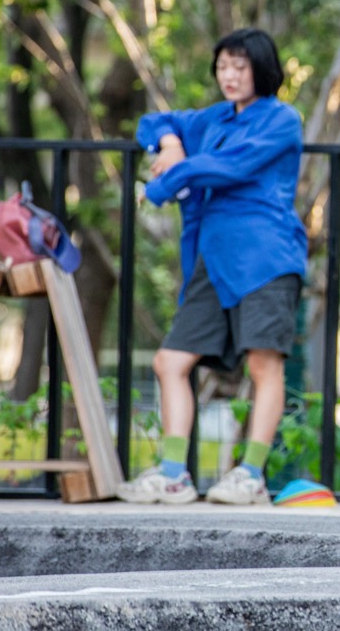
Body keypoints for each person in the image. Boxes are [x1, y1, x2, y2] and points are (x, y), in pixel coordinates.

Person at [117, 28, 308, 507]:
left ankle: (250, 474)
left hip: (265, 256)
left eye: (240, 66)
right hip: (213, 262)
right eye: (223, 65)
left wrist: (163, 183)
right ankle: (175, 475)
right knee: (170, 362)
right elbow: (152, 121)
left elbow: (230, 168)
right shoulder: (211, 119)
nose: (230, 75)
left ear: (262, 69)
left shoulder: (281, 120)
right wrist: (170, 141)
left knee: (264, 365)